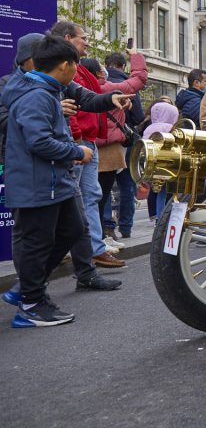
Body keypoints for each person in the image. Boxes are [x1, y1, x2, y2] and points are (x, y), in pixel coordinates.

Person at [0, 33, 124, 309]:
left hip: (59, 169)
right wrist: (70, 140)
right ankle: (32, 296)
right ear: (34, 60)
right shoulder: (22, 90)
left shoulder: (51, 84)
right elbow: (29, 134)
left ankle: (48, 283)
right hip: (34, 172)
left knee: (74, 226)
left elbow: (87, 98)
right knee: (34, 237)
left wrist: (111, 97)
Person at [49, 22, 125, 268]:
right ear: (69, 38)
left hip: (81, 143)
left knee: (88, 197)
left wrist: (111, 99)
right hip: (70, 146)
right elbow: (20, 112)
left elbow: (87, 99)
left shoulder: (75, 73)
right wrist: (76, 138)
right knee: (69, 201)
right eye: (84, 38)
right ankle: (61, 256)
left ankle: (90, 256)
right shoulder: (40, 77)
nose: (88, 43)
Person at [81, 54, 148, 244]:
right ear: (97, 72)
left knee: (91, 195)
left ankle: (100, 233)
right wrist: (135, 55)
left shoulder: (76, 89)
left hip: (84, 146)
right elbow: (139, 80)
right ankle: (102, 236)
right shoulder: (108, 88)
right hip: (109, 149)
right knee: (104, 193)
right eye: (101, 69)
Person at [102, 52, 144, 240]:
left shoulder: (100, 83)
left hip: (105, 141)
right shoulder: (127, 84)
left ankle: (107, 226)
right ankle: (126, 226)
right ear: (122, 66)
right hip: (126, 141)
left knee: (103, 186)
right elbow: (138, 117)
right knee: (127, 185)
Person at [143, 102, 180, 218]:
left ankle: (158, 217)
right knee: (167, 192)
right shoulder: (169, 127)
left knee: (159, 191)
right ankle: (165, 217)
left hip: (152, 163)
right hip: (166, 163)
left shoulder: (149, 128)